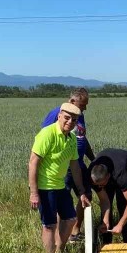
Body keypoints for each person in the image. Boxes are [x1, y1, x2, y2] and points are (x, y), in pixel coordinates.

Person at [28, 103, 90, 253]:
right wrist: (34, 193)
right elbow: (33, 162)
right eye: (67, 118)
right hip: (44, 187)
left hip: (60, 186)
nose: (70, 122)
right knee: (50, 225)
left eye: (74, 120)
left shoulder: (72, 139)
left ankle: (59, 251)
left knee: (70, 219)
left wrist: (81, 191)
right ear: (59, 116)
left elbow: (75, 166)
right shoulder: (47, 134)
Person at [41, 87, 94, 242]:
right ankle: (58, 238)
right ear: (72, 101)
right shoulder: (58, 114)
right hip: (63, 167)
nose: (85, 108)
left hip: (78, 164)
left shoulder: (79, 116)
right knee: (60, 204)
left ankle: (75, 231)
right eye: (82, 104)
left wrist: (93, 158)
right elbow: (44, 138)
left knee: (86, 196)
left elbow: (83, 137)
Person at [88, 149, 127, 244]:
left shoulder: (120, 175)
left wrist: (120, 224)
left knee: (123, 205)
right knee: (108, 201)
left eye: (102, 185)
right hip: (108, 165)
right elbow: (104, 201)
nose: (100, 188)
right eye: (97, 186)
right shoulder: (91, 175)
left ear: (108, 176)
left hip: (125, 164)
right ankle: (106, 242)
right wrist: (105, 221)